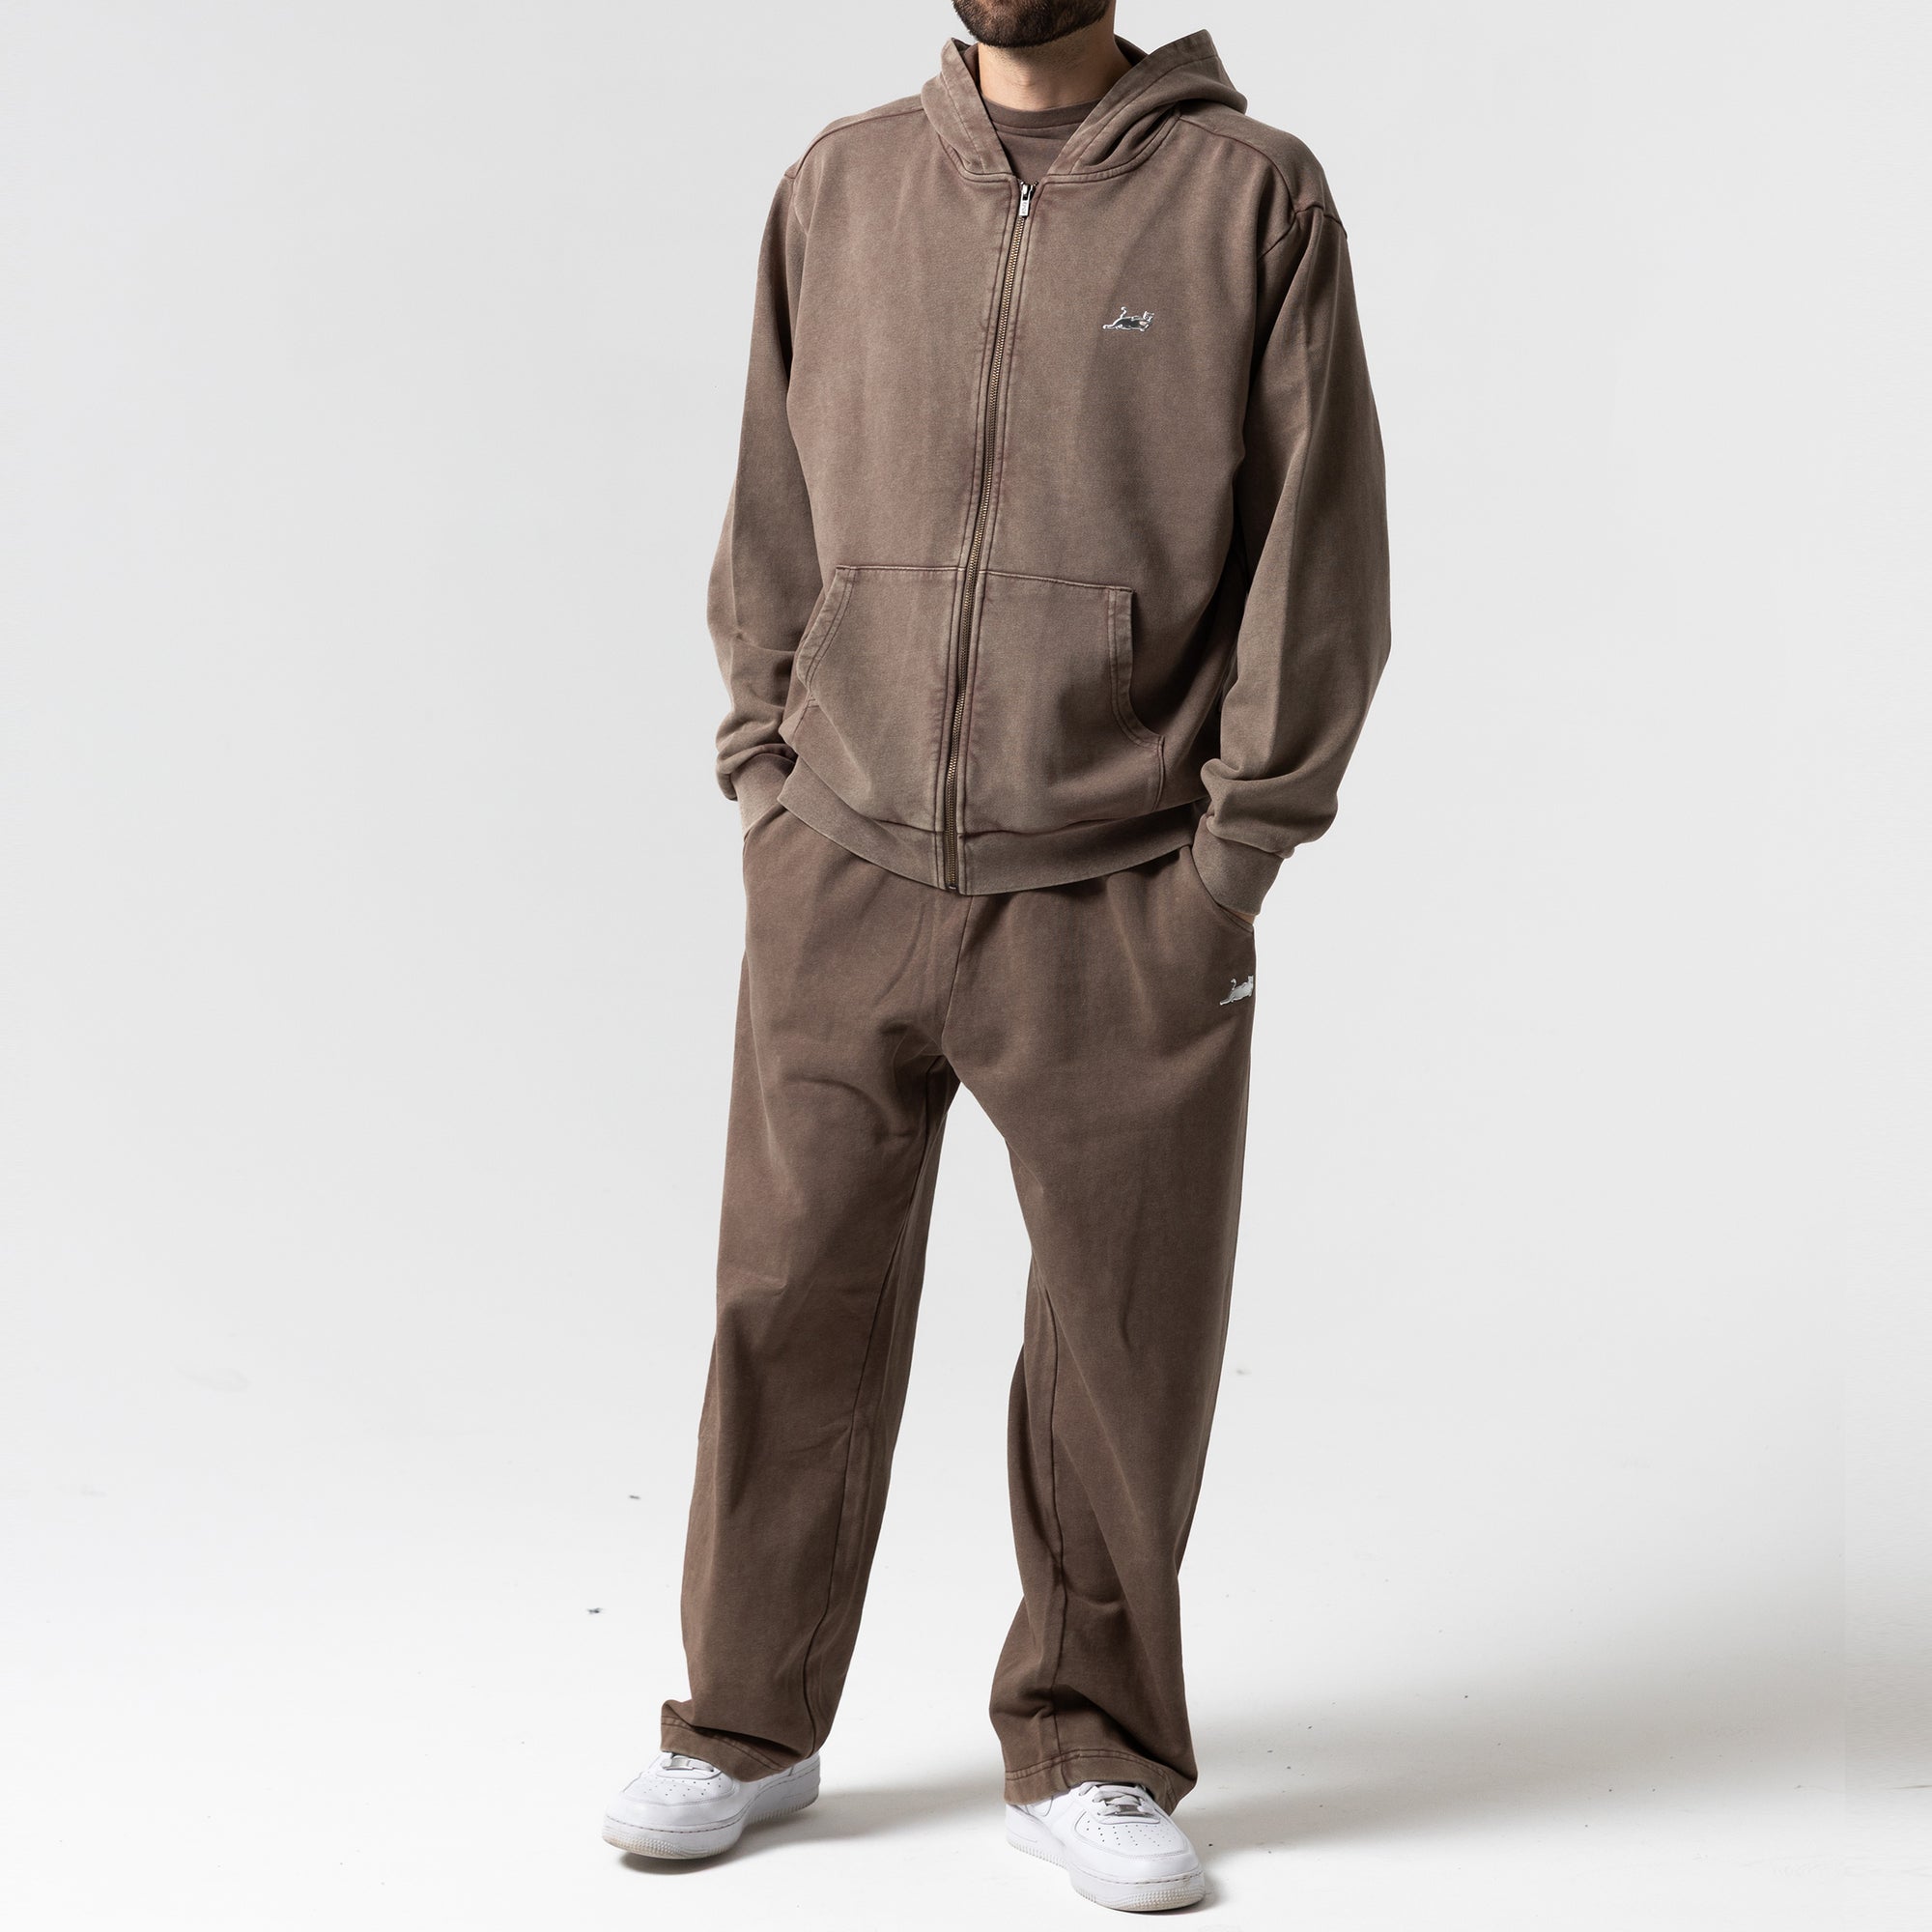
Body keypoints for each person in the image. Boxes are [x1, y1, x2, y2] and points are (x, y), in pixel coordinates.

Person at [603, 1, 1389, 1911]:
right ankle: (743, 1725)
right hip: (843, 867)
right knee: (786, 1300)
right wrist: (767, 775)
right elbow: (771, 505)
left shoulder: (1252, 198)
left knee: (1120, 1345)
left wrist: (1230, 860)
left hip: (1124, 886)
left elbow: (1319, 553)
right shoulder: (843, 183)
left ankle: (1091, 1743)